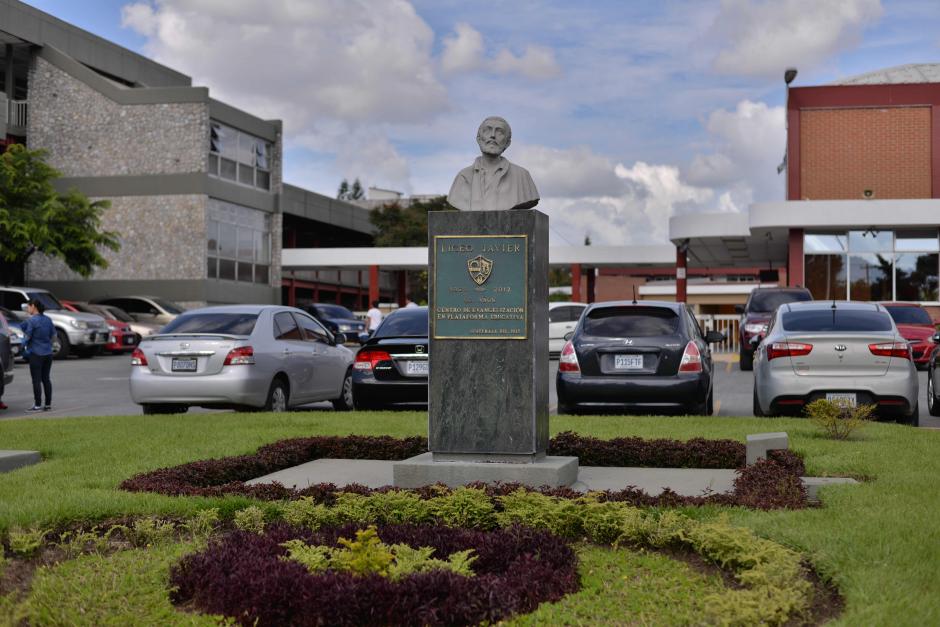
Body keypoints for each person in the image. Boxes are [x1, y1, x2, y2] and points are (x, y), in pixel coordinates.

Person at [447, 116, 540, 212]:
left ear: (507, 143)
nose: (493, 135)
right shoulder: (463, 176)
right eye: (487, 130)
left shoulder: (522, 176)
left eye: (499, 132)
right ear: (479, 139)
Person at [22, 298, 55, 412]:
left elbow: (27, 336)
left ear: (33, 306)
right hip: (48, 353)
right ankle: (48, 404)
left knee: (36, 380)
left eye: (28, 307)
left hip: (36, 353)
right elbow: (53, 335)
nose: (27, 309)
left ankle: (37, 405)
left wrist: (23, 346)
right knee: (46, 379)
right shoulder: (48, 319)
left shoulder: (32, 321)